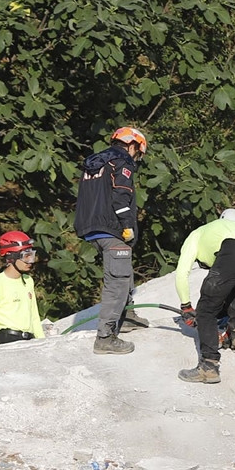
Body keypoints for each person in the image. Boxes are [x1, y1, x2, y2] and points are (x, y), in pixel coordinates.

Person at [75, 125, 150, 355]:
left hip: (91, 228)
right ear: (132, 145)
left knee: (123, 270)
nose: (136, 158)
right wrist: (127, 226)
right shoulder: (122, 162)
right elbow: (121, 197)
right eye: (138, 153)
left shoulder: (95, 163)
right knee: (117, 281)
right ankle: (105, 337)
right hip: (111, 228)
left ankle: (127, 316)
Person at [174, 209, 235, 384]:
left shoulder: (198, 234)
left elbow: (182, 272)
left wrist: (186, 306)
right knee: (234, 285)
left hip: (233, 252)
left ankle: (209, 367)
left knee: (206, 309)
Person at [0, 231, 46, 346]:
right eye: (26, 256)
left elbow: (34, 316)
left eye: (31, 255)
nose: (30, 261)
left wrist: (42, 342)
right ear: (11, 258)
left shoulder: (28, 280)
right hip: (7, 341)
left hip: (29, 340)